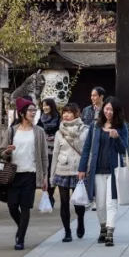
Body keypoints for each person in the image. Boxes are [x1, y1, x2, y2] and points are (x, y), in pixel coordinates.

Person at [0, 98, 49, 250]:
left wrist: (45, 176)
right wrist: (7, 151)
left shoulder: (39, 132)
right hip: (13, 175)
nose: (33, 113)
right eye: (30, 110)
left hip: (30, 174)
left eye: (35, 110)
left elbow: (44, 156)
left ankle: (20, 239)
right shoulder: (12, 131)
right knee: (12, 206)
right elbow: (1, 151)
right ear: (22, 113)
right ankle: (21, 228)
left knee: (25, 207)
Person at [78, 96, 128, 246]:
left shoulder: (122, 127)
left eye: (112, 109)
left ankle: (110, 232)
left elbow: (123, 148)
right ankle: (103, 228)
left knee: (111, 202)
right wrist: (82, 168)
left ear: (117, 111)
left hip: (113, 170)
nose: (108, 112)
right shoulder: (96, 126)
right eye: (106, 108)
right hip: (97, 169)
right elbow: (87, 148)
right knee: (99, 204)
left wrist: (117, 137)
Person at [50, 102, 87, 242]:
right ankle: (67, 231)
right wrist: (52, 175)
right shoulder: (59, 132)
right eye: (64, 112)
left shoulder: (85, 130)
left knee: (78, 203)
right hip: (62, 170)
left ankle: (81, 221)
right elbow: (55, 153)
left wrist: (86, 168)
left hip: (79, 171)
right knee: (64, 203)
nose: (66, 115)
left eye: (69, 112)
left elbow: (87, 152)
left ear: (76, 114)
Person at [39, 98, 60, 204]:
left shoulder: (58, 117)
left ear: (52, 106)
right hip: (43, 149)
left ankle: (50, 194)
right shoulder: (40, 118)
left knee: (52, 173)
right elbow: (37, 130)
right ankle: (47, 195)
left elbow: (61, 131)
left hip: (54, 149)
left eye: (47, 105)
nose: (45, 107)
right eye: (43, 105)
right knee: (45, 172)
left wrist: (54, 137)